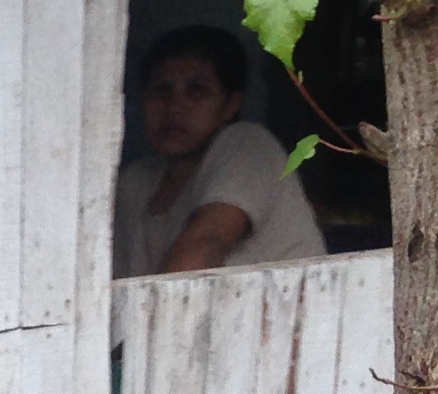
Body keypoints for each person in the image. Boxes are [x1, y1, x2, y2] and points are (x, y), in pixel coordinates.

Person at [112, 24, 327, 278]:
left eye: (197, 91)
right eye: (162, 90)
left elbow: (206, 241)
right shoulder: (136, 181)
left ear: (230, 106)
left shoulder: (248, 145)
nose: (174, 107)